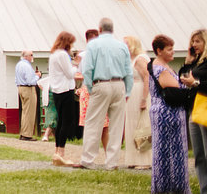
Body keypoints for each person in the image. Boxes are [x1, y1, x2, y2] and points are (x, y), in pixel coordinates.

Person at [78, 17, 132, 170]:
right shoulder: (122, 46)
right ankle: (112, 162)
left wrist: (89, 87)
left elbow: (87, 69)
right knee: (116, 124)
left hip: (100, 83)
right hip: (119, 83)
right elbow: (128, 70)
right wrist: (127, 90)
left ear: (99, 29)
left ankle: (88, 159)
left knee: (93, 122)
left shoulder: (93, 45)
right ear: (112, 29)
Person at [149, 35, 190, 193]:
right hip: (167, 114)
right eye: (169, 49)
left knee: (165, 151)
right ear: (159, 51)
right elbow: (177, 90)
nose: (173, 52)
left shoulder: (160, 65)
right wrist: (189, 86)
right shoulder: (161, 69)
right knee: (170, 152)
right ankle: (172, 187)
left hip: (164, 112)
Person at [47, 31, 79, 167]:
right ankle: (61, 153)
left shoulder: (53, 55)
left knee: (60, 121)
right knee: (67, 122)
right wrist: (76, 64)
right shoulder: (63, 55)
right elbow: (70, 74)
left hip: (56, 90)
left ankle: (56, 152)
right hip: (66, 89)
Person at [180, 28, 206, 192]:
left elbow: (195, 82)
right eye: (193, 41)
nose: (194, 44)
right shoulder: (197, 62)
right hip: (194, 109)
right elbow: (182, 78)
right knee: (199, 155)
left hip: (205, 108)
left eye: (198, 41)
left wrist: (195, 83)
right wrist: (188, 63)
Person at [124, 35, 151, 170]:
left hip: (140, 91)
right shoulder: (130, 59)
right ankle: (133, 158)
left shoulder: (140, 59)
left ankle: (144, 160)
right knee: (131, 125)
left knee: (141, 126)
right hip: (131, 93)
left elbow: (147, 78)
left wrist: (144, 99)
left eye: (127, 44)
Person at [15, 49, 42, 140]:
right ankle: (27, 134)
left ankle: (23, 133)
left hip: (20, 87)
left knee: (25, 112)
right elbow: (30, 81)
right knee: (30, 112)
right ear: (26, 56)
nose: (32, 57)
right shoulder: (27, 66)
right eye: (31, 55)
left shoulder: (19, 64)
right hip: (28, 88)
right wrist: (37, 76)